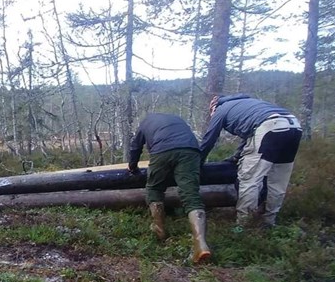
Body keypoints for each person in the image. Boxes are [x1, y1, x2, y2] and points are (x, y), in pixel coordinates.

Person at [199, 94, 302, 228]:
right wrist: (236, 157)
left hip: (269, 126)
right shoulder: (247, 103)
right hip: (294, 126)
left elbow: (209, 140)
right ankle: (269, 222)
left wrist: (196, 162)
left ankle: (244, 226)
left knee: (249, 180)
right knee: (278, 181)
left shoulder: (221, 109)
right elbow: (250, 136)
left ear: (214, 107)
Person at [129, 113, 211, 264]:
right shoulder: (178, 120)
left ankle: (159, 228)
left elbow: (135, 147)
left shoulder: (145, 122)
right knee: (191, 194)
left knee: (154, 188)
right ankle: (200, 243)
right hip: (190, 150)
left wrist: (132, 167)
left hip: (162, 150)